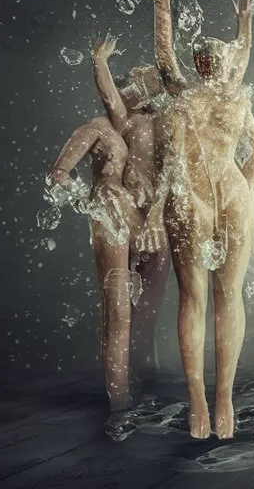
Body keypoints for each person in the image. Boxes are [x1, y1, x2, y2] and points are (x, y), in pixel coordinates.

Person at [146, 0, 254, 439]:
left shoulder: (217, 96)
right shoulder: (215, 95)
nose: (211, 59)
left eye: (213, 54)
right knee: (207, 298)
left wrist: (166, 3)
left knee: (211, 298)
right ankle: (207, 400)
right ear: (204, 63)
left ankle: (215, 400)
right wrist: (165, 1)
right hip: (212, 196)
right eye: (208, 55)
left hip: (212, 196)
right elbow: (164, 57)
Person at [48, 41, 136, 412]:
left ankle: (131, 388)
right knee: (116, 307)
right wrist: (94, 202)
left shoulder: (125, 129)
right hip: (109, 216)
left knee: (130, 305)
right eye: (127, 86)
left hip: (127, 215)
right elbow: (58, 174)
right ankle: (119, 399)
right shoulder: (97, 128)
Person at [90, 36, 172, 379]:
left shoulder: (167, 119)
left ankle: (144, 368)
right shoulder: (127, 120)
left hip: (157, 217)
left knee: (149, 304)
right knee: (122, 304)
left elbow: (174, 167)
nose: (143, 72)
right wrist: (100, 62)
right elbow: (110, 95)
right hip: (129, 213)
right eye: (140, 73)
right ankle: (121, 383)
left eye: (147, 72)